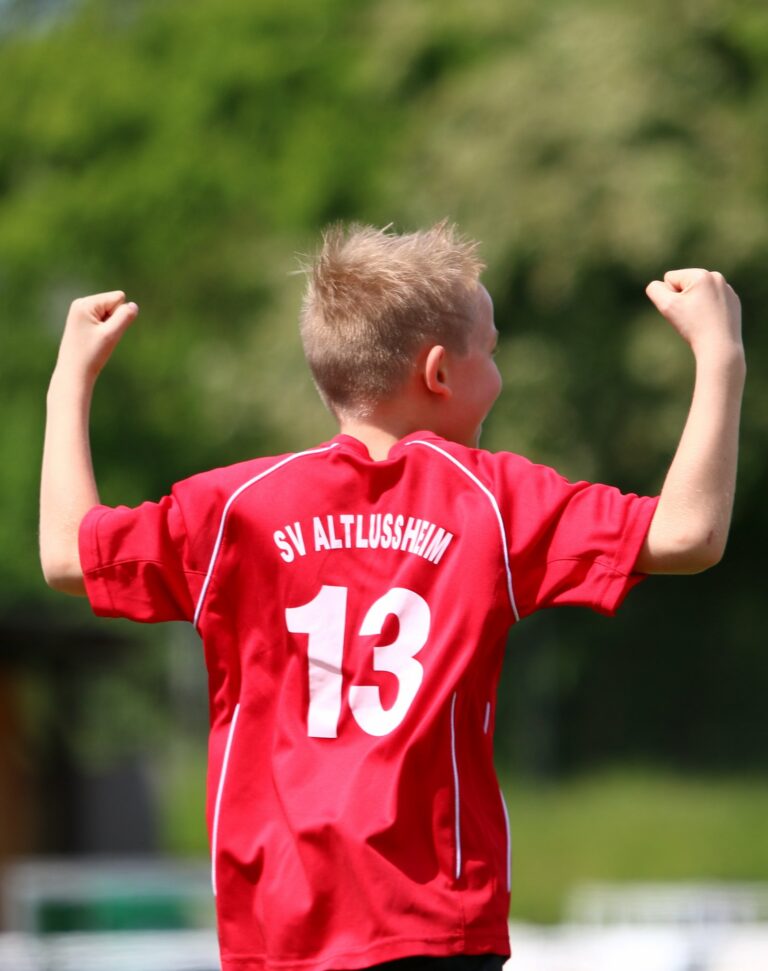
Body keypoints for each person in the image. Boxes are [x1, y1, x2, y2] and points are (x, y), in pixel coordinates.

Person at [39, 222, 745, 971]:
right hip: (435, 925)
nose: (499, 376)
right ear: (438, 373)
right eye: (491, 352)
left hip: (277, 931)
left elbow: (66, 554)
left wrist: (69, 382)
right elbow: (689, 533)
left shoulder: (234, 508)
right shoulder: (491, 500)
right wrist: (720, 357)